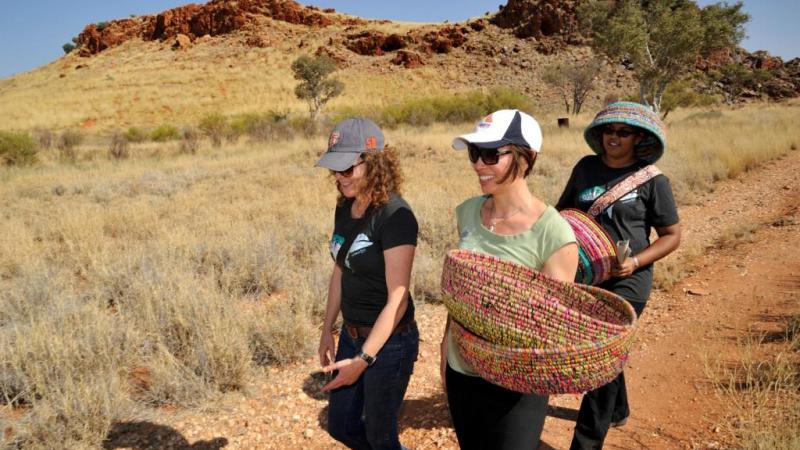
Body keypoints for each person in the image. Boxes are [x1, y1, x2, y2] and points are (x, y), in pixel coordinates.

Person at [441, 109, 579, 449]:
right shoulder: (468, 213)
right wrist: (446, 353)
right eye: (475, 153)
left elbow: (550, 326)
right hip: (463, 369)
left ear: (527, 157)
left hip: (518, 382)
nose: (478, 164)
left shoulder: (554, 233)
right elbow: (461, 294)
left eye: (491, 154)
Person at [556, 101, 681, 449]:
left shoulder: (654, 181)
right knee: (607, 351)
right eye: (608, 131)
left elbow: (672, 235)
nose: (614, 137)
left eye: (623, 132)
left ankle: (585, 443)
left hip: (630, 280)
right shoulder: (585, 169)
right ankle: (618, 407)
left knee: (601, 356)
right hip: (588, 277)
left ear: (638, 138)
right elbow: (561, 212)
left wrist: (636, 262)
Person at [315, 118, 420, 450]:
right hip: (351, 333)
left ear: (373, 163)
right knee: (340, 426)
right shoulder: (345, 206)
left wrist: (363, 360)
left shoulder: (396, 216)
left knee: (380, 434)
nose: (338, 177)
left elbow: (398, 300)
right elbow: (340, 271)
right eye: (335, 169)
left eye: (346, 169)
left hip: (390, 344)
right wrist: (327, 327)